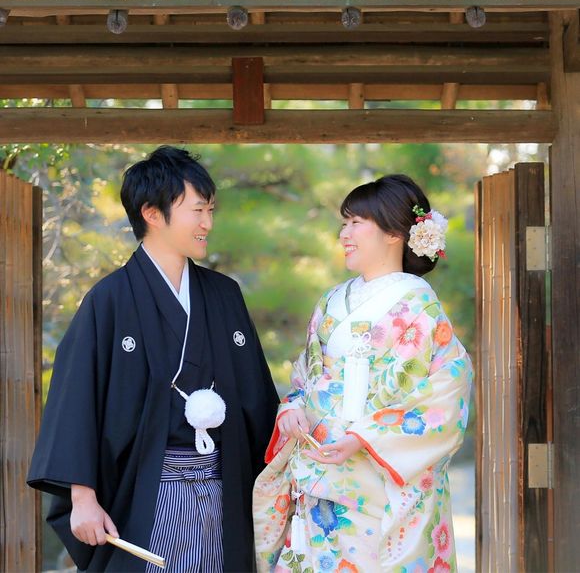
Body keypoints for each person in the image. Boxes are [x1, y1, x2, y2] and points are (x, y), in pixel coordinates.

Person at [28, 146, 279, 572]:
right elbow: (76, 403)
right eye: (197, 210)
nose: (208, 223)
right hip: (144, 494)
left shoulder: (224, 295)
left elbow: (257, 401)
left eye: (210, 210)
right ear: (152, 213)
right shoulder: (109, 300)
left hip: (221, 492)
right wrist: (82, 498)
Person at [253, 175, 473, 572]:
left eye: (356, 222)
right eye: (344, 223)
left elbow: (444, 392)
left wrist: (363, 438)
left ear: (394, 233)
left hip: (376, 478)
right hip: (320, 468)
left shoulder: (420, 306)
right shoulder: (332, 301)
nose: (344, 234)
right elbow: (305, 376)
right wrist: (293, 409)